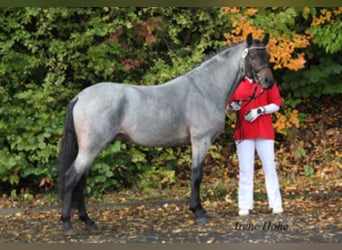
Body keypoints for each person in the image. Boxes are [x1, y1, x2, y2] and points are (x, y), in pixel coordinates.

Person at [226, 76, 283, 216]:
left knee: (269, 167)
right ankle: (244, 205)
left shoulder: (267, 80)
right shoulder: (236, 83)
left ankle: (276, 204)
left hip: (264, 131)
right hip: (243, 132)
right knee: (245, 170)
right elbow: (227, 108)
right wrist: (232, 107)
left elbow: (276, 103)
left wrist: (260, 110)